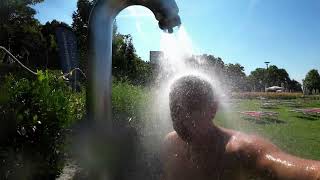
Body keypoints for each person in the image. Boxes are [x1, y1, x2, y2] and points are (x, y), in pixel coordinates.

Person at [161, 75, 320, 180]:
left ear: (213, 109)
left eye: (192, 107)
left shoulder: (240, 150)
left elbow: (309, 172)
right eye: (175, 108)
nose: (181, 117)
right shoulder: (170, 142)